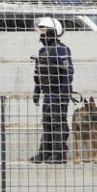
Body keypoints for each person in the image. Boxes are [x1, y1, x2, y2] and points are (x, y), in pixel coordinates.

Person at [30, 17, 74, 164]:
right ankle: (44, 153)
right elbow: (39, 73)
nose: (41, 33)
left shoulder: (62, 49)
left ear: (53, 31)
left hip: (59, 92)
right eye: (40, 29)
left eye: (44, 29)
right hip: (47, 92)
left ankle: (58, 154)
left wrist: (65, 92)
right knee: (47, 122)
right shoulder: (42, 50)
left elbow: (68, 72)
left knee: (58, 122)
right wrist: (37, 91)